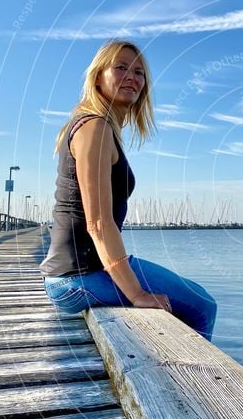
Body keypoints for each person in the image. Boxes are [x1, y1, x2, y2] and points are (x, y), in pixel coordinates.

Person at [40, 39, 217, 341]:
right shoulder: (93, 127)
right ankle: (187, 382)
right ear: (98, 76)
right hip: (76, 277)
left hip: (80, 273)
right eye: (120, 67)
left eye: (139, 72)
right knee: (201, 307)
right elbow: (98, 223)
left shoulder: (101, 128)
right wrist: (136, 294)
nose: (132, 77)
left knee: (197, 296)